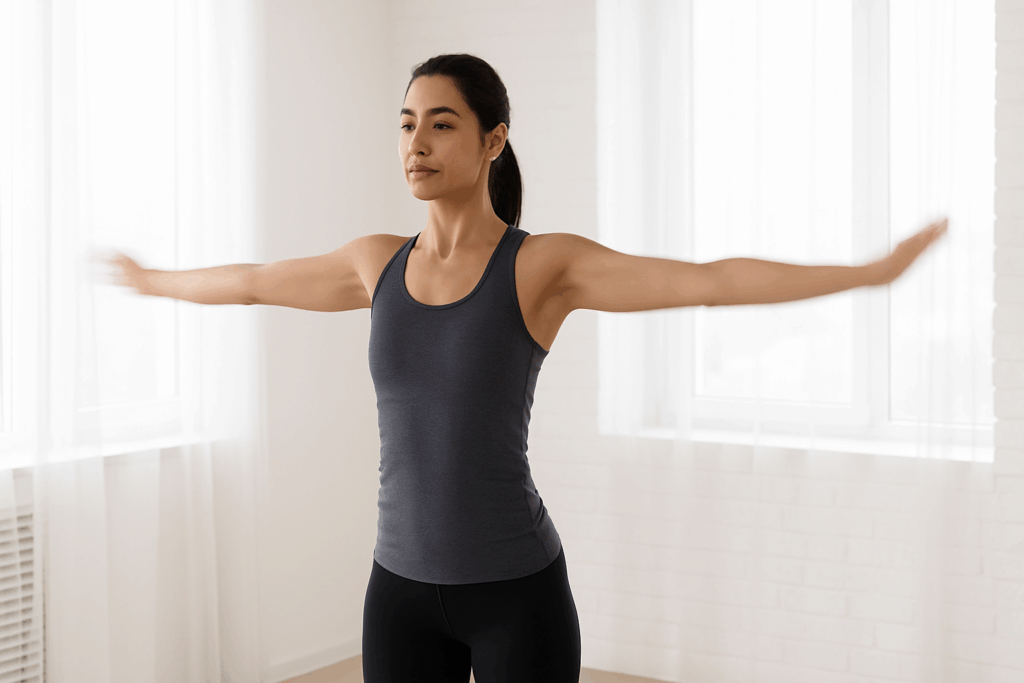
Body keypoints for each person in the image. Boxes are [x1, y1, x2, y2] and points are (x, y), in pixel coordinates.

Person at [99, 52, 946, 683]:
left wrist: (868, 272)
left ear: (493, 139)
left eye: (441, 123)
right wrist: (151, 281)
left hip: (515, 592)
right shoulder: (373, 263)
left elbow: (708, 281)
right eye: (406, 122)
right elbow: (251, 282)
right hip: (397, 588)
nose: (417, 141)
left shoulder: (540, 267)